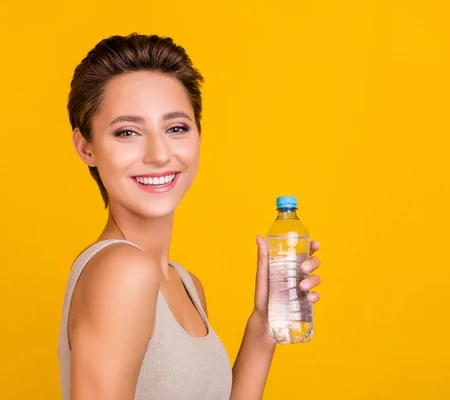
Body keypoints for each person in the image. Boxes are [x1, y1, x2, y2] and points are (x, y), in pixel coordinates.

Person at [57, 33, 322, 400]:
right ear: (86, 147)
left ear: (198, 136)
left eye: (176, 128)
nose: (158, 154)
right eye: (128, 132)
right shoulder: (122, 271)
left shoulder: (186, 284)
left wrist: (263, 324)